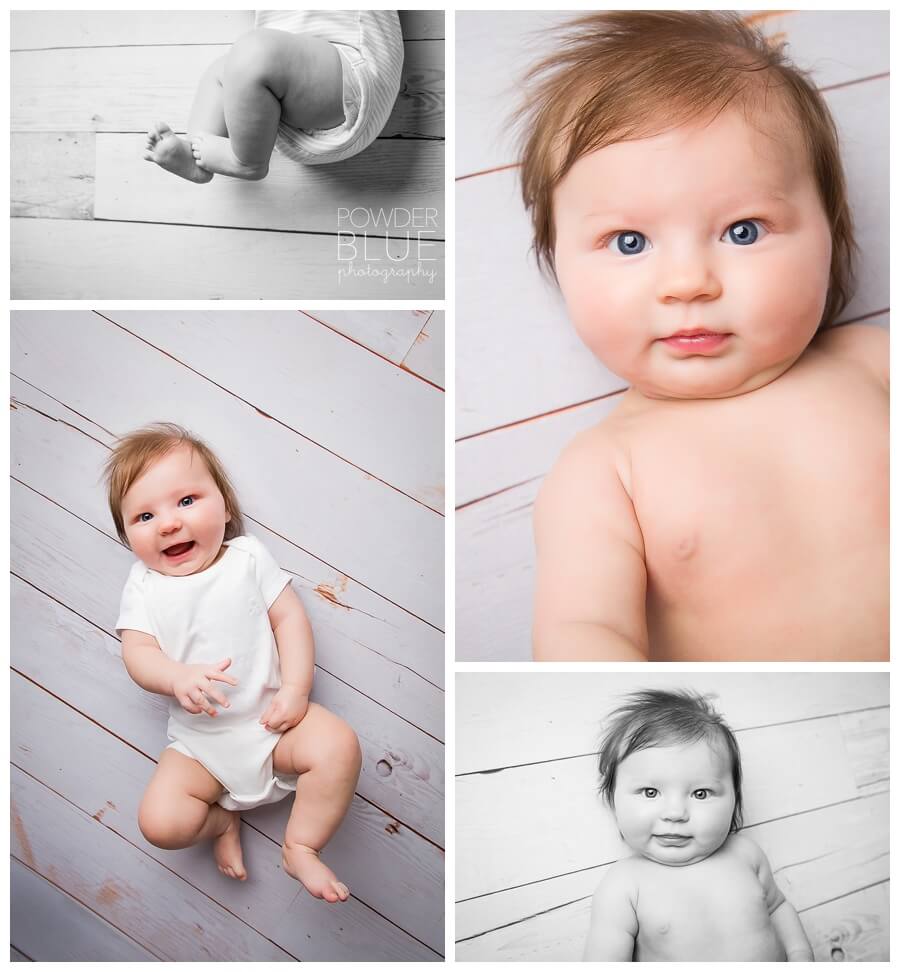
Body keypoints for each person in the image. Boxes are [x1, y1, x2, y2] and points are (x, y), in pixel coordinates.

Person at [524, 12, 888, 661]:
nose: (688, 282)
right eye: (629, 242)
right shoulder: (605, 472)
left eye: (743, 230)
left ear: (830, 232)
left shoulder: (875, 368)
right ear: (558, 264)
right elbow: (581, 636)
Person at [107, 423, 362, 902]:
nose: (167, 523)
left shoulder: (246, 558)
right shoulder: (143, 585)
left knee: (338, 746)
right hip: (201, 746)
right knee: (159, 823)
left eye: (186, 501)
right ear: (127, 536)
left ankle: (301, 845)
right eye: (143, 516)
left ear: (225, 506)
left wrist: (296, 691)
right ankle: (220, 820)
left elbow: (290, 620)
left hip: (274, 726)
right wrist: (175, 675)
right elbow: (137, 655)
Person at [584, 689, 814, 961]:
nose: (675, 813)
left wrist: (799, 952)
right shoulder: (623, 886)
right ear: (612, 800)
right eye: (650, 792)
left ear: (734, 799)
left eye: (700, 793)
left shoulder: (745, 854)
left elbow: (777, 907)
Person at [143, 10, 403, 182]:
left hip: (350, 79)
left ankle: (246, 161)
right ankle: (195, 156)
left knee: (250, 54)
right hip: (274, 108)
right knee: (226, 69)